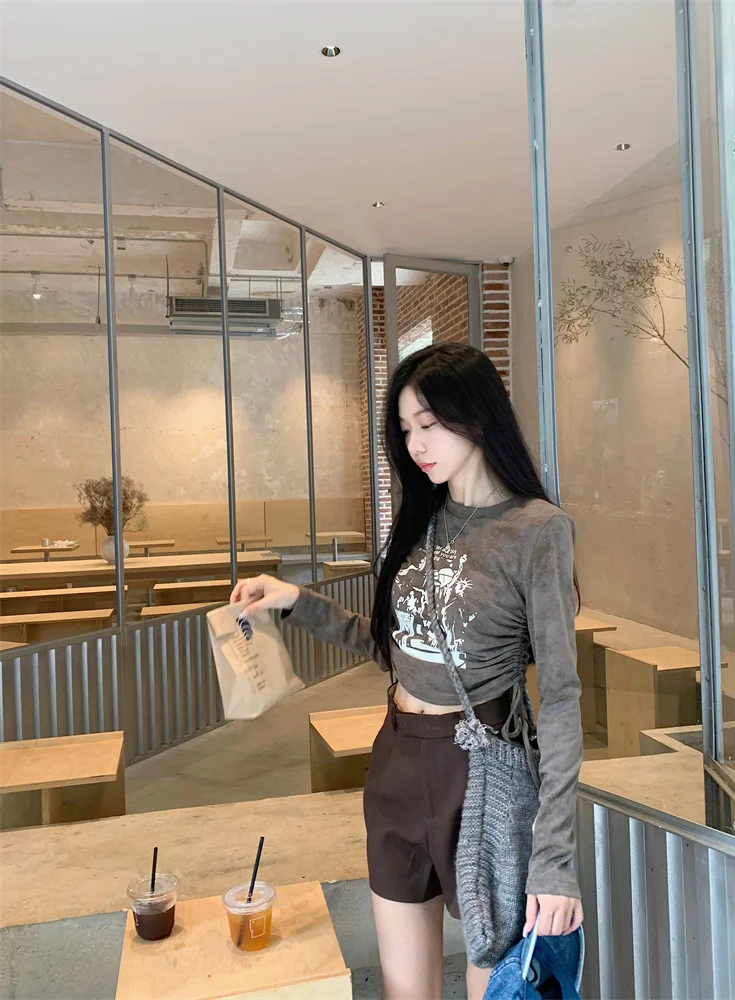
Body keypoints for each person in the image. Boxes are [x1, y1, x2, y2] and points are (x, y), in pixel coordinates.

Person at [232, 343, 584, 1000]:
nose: (416, 443)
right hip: (396, 762)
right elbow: (395, 650)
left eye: (429, 423)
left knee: (495, 987)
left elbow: (561, 699)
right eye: (404, 428)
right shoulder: (422, 518)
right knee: (404, 991)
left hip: (482, 772)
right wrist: (295, 601)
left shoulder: (538, 531)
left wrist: (555, 858)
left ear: (478, 416)